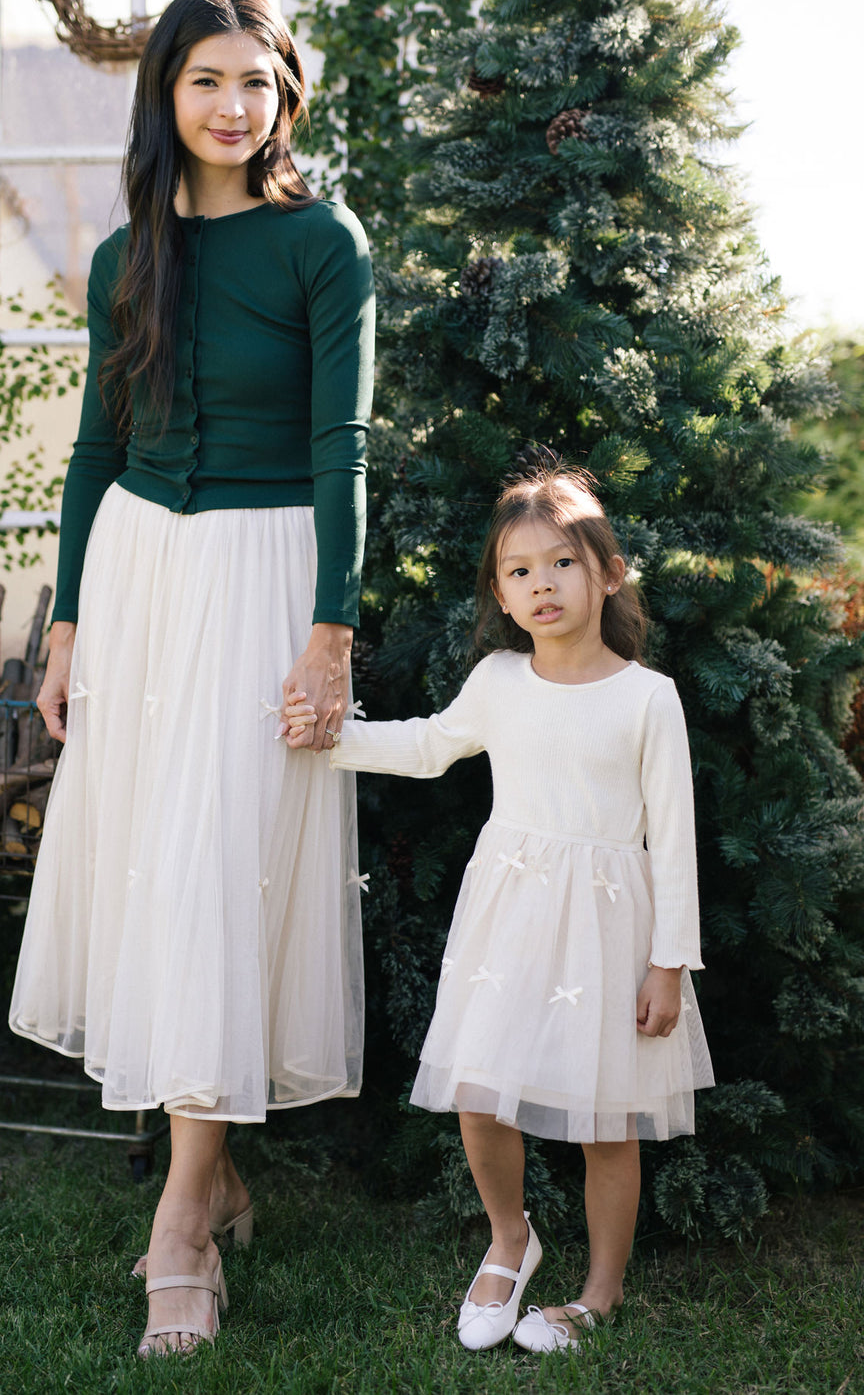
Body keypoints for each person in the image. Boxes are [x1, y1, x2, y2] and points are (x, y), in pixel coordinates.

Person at [8, 0, 375, 1356]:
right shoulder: (125, 259)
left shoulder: (321, 244)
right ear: (166, 93)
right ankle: (213, 1181)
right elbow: (96, 450)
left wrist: (331, 627)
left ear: (287, 95)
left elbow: (343, 446)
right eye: (207, 80)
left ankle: (178, 1224)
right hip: (143, 573)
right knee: (159, 865)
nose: (235, 107)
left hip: (268, 568)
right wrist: (66, 620)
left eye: (257, 83)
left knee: (229, 862)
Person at [284, 464, 714, 1354]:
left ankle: (600, 1294)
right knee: (480, 1091)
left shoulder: (646, 698)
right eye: (519, 571)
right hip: (509, 918)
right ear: (501, 594)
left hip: (607, 931)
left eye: (562, 563)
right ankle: (510, 1241)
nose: (542, 584)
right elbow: (431, 745)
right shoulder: (498, 679)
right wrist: (327, 739)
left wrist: (670, 964)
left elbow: (674, 841)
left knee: (607, 1122)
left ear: (607, 572)